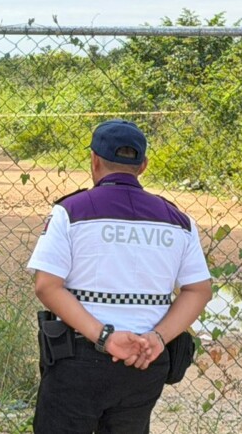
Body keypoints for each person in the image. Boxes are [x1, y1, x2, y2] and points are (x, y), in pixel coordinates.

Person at [28, 119, 213, 433]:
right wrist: (158, 338)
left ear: (94, 160)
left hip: (79, 358)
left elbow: (47, 286)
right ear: (143, 165)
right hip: (146, 361)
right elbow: (199, 290)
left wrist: (105, 337)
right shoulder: (178, 221)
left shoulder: (70, 212)